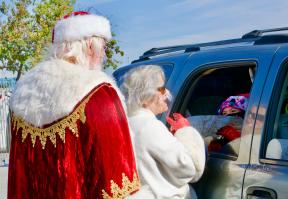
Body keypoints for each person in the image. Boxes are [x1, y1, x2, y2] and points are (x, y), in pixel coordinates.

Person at [8, 11, 149, 199]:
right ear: (90, 46)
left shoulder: (23, 95)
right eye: (103, 47)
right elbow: (117, 183)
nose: (104, 55)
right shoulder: (99, 94)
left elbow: (19, 178)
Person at [121, 65, 206, 199]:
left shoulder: (126, 125)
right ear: (145, 96)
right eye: (161, 89)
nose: (166, 93)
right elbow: (188, 169)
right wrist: (185, 132)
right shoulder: (150, 126)